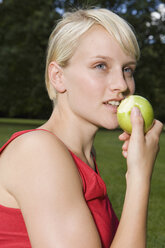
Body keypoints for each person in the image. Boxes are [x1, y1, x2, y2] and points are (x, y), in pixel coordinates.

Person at [0, 8, 163, 248]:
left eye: (127, 69)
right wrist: (139, 177)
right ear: (58, 77)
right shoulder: (38, 152)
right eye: (100, 66)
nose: (122, 84)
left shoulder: (82, 157)